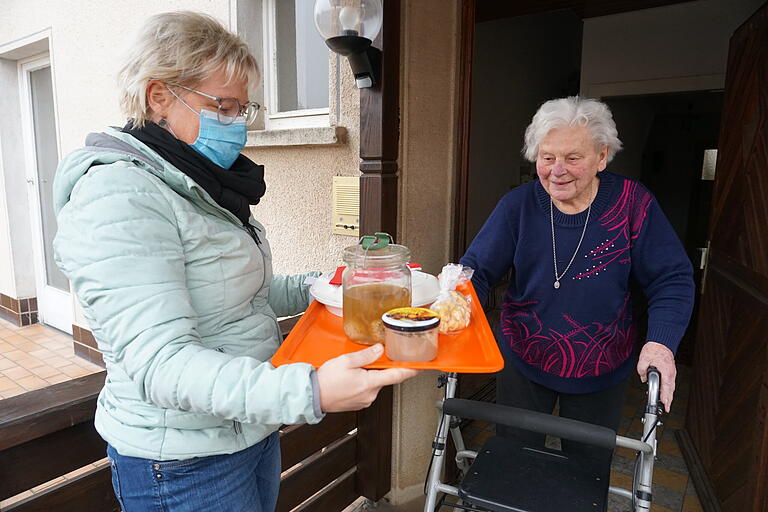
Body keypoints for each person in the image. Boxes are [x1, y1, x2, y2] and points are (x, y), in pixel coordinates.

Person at [52, 12, 417, 512]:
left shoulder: (194, 182)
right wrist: (309, 391)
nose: (237, 125)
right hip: (183, 461)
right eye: (222, 106)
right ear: (159, 97)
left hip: (245, 427)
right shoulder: (119, 197)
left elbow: (242, 293)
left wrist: (334, 282)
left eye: (242, 109)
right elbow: (161, 364)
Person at [460, 96, 694, 468]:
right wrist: (452, 309)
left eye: (573, 158)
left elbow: (672, 277)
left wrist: (661, 344)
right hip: (522, 358)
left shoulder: (632, 205)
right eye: (547, 157)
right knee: (514, 464)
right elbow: (475, 270)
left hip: (601, 364)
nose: (557, 170)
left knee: (586, 472)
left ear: (602, 157)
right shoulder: (518, 206)